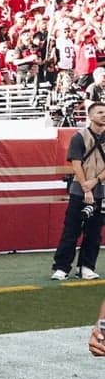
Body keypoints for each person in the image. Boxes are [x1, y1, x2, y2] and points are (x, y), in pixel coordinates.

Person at [51, 102, 105, 281]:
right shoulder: (79, 137)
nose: (103, 115)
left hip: (100, 190)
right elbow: (76, 164)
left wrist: (96, 181)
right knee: (72, 229)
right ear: (90, 116)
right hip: (78, 190)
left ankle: (86, 266)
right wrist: (85, 187)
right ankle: (61, 267)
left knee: (94, 231)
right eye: (99, 112)